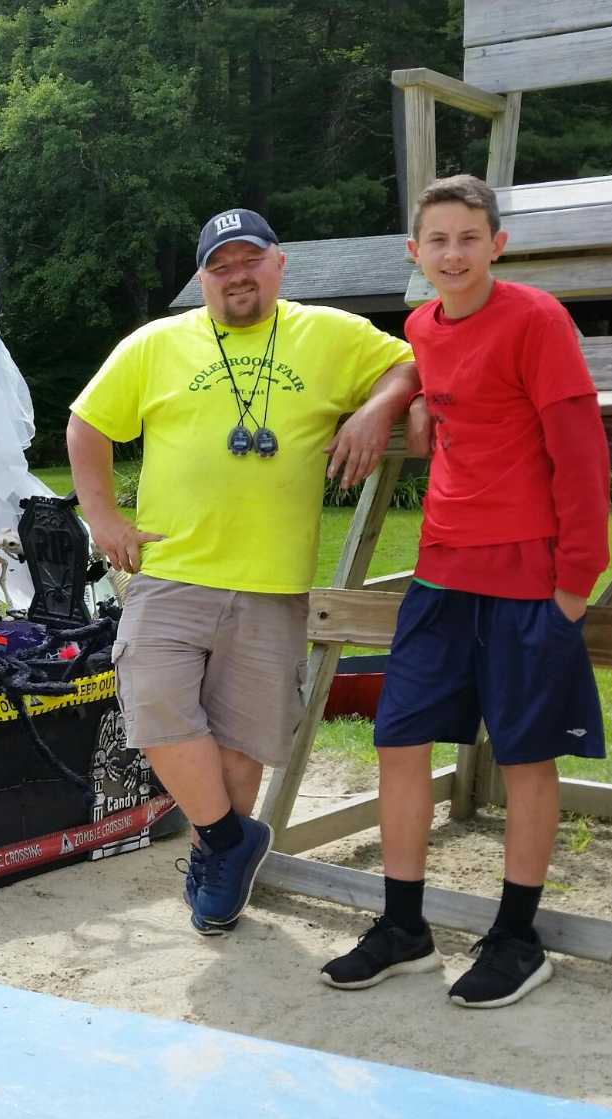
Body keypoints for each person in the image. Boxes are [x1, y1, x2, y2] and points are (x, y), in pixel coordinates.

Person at [68, 208, 421, 936]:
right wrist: (103, 519)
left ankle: (212, 865)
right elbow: (87, 423)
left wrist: (379, 409)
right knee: (155, 704)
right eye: (220, 266)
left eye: (249, 261)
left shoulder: (327, 333)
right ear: (202, 278)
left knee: (241, 736)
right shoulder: (157, 344)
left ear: (279, 264)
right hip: (172, 567)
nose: (237, 276)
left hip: (272, 579)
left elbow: (412, 362)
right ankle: (233, 841)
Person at [320, 174, 609, 1009]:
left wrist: (575, 585)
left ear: (497, 245)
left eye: (468, 238)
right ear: (416, 255)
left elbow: (582, 455)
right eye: (437, 241)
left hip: (528, 579)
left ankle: (518, 937)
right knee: (399, 738)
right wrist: (403, 399)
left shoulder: (538, 320)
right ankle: (403, 927)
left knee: (524, 756)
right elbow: (424, 362)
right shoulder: (420, 324)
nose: (453, 253)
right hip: (441, 572)